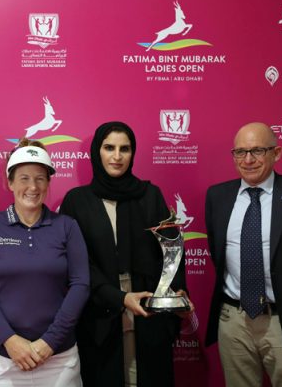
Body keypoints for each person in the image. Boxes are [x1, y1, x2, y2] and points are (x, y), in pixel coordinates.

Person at [60, 121, 190, 387]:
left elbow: (171, 254)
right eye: (109, 148)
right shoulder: (77, 201)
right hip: (100, 316)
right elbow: (78, 264)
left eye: (125, 149)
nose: (117, 156)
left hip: (148, 315)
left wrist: (176, 293)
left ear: (133, 153)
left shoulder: (150, 195)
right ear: (97, 151)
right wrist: (120, 298)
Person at [0, 139, 90, 386]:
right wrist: (10, 340)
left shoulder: (66, 226)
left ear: (48, 183)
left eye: (40, 178)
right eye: (24, 178)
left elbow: (80, 285)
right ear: (10, 182)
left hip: (58, 358)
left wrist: (50, 342)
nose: (32, 186)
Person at [205, 122, 282, 386]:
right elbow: (217, 253)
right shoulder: (218, 196)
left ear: (276, 153)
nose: (248, 160)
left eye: (257, 150)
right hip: (233, 322)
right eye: (240, 152)